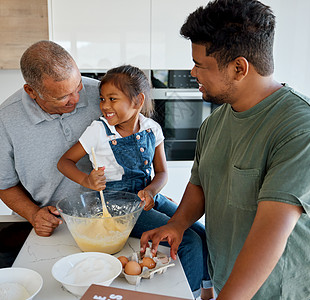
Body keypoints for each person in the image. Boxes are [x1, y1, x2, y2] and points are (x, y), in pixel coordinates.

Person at [140, 1, 310, 299]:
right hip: (228, 281)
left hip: (276, 293)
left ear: (239, 68)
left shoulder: (304, 130)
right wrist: (178, 223)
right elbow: (201, 186)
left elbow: (270, 233)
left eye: (201, 64)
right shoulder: (216, 121)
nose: (193, 72)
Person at [58, 65, 213, 299]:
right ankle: (188, 295)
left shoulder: (152, 129)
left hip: (148, 197)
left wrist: (151, 191)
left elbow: (161, 173)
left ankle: (206, 291)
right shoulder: (98, 131)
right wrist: (87, 180)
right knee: (186, 240)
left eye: (112, 99)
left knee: (201, 231)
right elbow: (65, 162)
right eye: (102, 99)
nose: (105, 106)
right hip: (118, 205)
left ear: (138, 101)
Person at [0, 40, 102, 237]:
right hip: (51, 225)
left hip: (107, 217)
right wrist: (34, 214)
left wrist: (148, 190)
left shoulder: (101, 96)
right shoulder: (5, 121)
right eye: (63, 97)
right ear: (31, 91)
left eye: (78, 87)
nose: (76, 99)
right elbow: (4, 184)